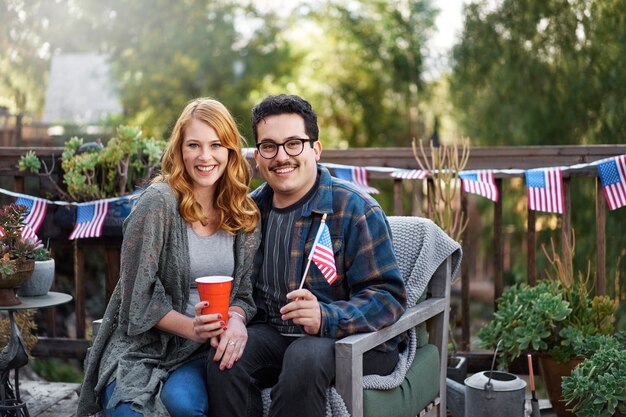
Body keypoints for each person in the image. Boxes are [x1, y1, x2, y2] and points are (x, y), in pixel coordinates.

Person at [206, 94, 406, 417]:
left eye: (293, 144)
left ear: (315, 149)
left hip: (351, 339)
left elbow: (388, 298)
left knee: (304, 356)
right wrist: (236, 319)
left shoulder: (355, 209)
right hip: (274, 332)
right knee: (226, 359)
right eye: (269, 146)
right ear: (257, 157)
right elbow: (238, 287)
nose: (281, 156)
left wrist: (326, 316)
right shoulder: (252, 212)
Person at [77, 97, 261, 417]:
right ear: (180, 150)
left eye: (216, 144)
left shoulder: (244, 213)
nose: (205, 156)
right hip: (143, 346)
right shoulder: (158, 203)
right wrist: (193, 328)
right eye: (194, 145)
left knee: (184, 405)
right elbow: (138, 299)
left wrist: (236, 320)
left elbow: (244, 295)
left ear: (230, 150)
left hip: (201, 352)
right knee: (127, 412)